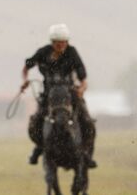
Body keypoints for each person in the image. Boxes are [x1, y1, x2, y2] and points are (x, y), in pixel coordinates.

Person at [22, 23, 97, 167]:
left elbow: (83, 79)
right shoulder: (43, 52)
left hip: (70, 94)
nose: (61, 45)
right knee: (36, 122)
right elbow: (27, 67)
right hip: (48, 95)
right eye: (58, 43)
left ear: (67, 42)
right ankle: (39, 147)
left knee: (87, 121)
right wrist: (25, 81)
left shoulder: (72, 52)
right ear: (52, 42)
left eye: (64, 42)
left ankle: (85, 152)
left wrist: (81, 89)